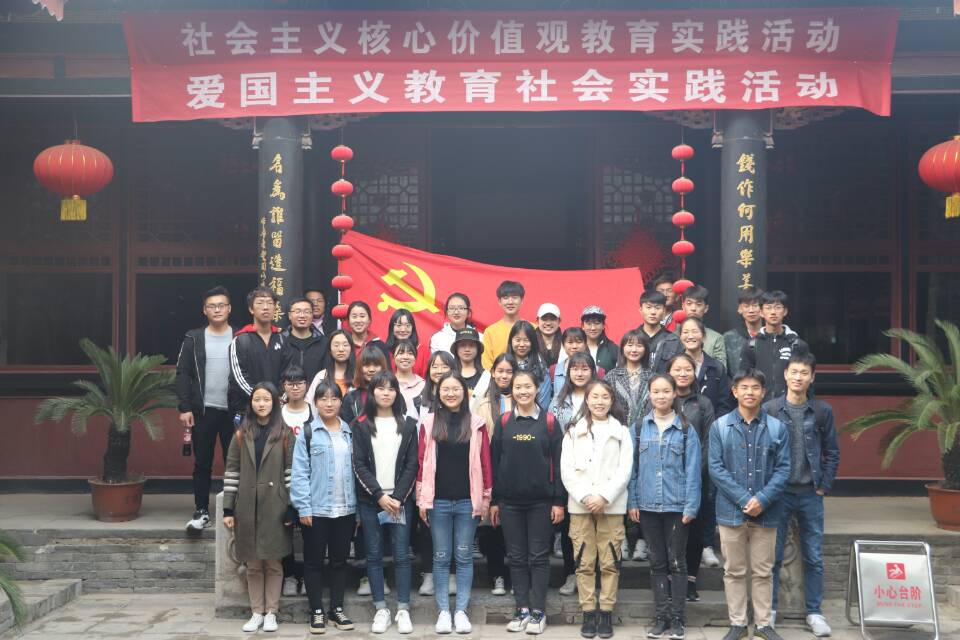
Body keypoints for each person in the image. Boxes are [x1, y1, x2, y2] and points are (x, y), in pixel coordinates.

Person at [708, 369, 790, 640]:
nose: (749, 392)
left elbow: (783, 469)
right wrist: (745, 499)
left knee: (763, 571)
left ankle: (764, 625)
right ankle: (738, 623)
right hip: (730, 511)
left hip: (767, 512)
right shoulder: (720, 426)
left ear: (763, 392)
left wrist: (762, 499)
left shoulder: (777, 428)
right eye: (744, 387)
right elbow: (716, 468)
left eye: (755, 387)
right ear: (734, 392)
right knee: (733, 570)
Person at [765, 353, 840, 637]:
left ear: (812, 377)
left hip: (810, 492)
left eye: (804, 373)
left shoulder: (822, 411)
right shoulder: (771, 409)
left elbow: (832, 451)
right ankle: (769, 611)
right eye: (794, 372)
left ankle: (814, 612)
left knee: (814, 555)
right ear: (785, 374)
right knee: (772, 556)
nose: (798, 377)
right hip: (779, 493)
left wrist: (824, 485)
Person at [490, 370, 566, 635]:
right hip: (509, 503)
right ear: (512, 390)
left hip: (541, 503)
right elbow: (495, 463)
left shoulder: (549, 422)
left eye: (527, 387)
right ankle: (522, 608)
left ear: (537, 389)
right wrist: (495, 501)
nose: (523, 391)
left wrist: (558, 501)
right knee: (517, 557)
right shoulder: (504, 422)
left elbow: (559, 464)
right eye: (518, 387)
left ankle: (538, 611)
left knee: (538, 557)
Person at [417, 372, 493, 634]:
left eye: (456, 389)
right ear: (438, 393)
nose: (450, 393)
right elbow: (421, 463)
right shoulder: (429, 423)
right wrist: (422, 499)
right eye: (445, 389)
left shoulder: (476, 423)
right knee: (440, 557)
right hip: (437, 502)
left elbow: (485, 463)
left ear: (464, 392)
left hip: (466, 502)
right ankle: (443, 612)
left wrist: (486, 498)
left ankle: (461, 611)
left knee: (463, 556)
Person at [628, 374, 702, 640]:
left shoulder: (686, 429)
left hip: (676, 506)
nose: (661, 396)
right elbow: (632, 470)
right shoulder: (639, 428)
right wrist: (632, 501)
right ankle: (661, 617)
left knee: (677, 562)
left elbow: (693, 471)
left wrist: (691, 506)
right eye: (656, 391)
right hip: (647, 506)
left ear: (674, 394)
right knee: (657, 562)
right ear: (649, 394)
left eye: (666, 391)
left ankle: (678, 619)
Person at [560, 380, 633, 640]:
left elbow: (625, 470)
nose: (599, 402)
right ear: (587, 400)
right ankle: (588, 611)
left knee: (610, 561)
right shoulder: (573, 431)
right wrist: (585, 496)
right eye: (595, 397)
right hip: (580, 506)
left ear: (612, 401)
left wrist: (604, 496)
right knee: (584, 561)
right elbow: (567, 470)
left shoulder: (621, 431)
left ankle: (606, 611)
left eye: (605, 397)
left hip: (611, 506)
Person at [222, 382, 295, 634]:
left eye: (266, 399)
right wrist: (228, 509)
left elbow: (291, 473)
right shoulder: (241, 434)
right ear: (251, 403)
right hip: (246, 507)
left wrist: (291, 506)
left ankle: (271, 612)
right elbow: (232, 472)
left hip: (275, 506)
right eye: (257, 400)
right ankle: (256, 612)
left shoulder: (285, 434)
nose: (261, 404)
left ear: (274, 402)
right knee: (253, 564)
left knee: (274, 562)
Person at [352, 371, 419, 634]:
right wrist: (379, 496)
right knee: (374, 555)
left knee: (402, 555)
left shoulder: (409, 424)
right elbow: (358, 464)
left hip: (401, 502)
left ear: (397, 393)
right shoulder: (361, 425)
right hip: (372, 501)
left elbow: (412, 464)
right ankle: (381, 608)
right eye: (380, 388)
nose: (386, 393)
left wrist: (398, 498)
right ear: (372, 393)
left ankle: (403, 608)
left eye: (391, 388)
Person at [290, 380, 356, 634]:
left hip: (345, 510)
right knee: (314, 562)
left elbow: (358, 471)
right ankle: (316, 611)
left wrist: (358, 510)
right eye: (323, 399)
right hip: (316, 510)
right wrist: (303, 508)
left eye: (334, 398)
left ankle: (336, 609)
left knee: (340, 561)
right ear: (315, 402)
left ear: (341, 402)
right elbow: (299, 473)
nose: (329, 403)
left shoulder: (349, 431)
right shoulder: (308, 433)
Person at [176, 285, 236, 531]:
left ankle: (234, 510)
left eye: (221, 305)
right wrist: (184, 407)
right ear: (205, 310)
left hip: (234, 411)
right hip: (204, 410)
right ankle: (201, 511)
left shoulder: (240, 336)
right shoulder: (193, 338)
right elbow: (183, 373)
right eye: (212, 306)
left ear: (229, 308)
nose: (217, 309)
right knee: (202, 462)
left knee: (236, 463)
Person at [665, 354, 717, 607]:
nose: (683, 373)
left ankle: (691, 581)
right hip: (667, 476)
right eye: (677, 369)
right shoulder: (664, 398)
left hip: (697, 476)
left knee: (694, 530)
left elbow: (709, 441)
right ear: (669, 372)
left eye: (687, 369)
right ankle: (669, 579)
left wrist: (697, 471)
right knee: (669, 530)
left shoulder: (703, 403)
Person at [549, 351, 599, 597]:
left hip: (596, 472)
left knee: (597, 529)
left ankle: (593, 575)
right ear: (567, 373)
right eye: (575, 369)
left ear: (593, 371)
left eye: (584, 368)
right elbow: (552, 436)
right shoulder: (558, 401)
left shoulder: (600, 397)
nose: (579, 373)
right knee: (571, 529)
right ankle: (572, 573)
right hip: (567, 471)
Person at [603, 329, 652, 563]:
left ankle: (642, 539)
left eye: (639, 345)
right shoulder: (612, 376)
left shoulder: (653, 377)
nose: (634, 349)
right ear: (622, 348)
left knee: (642, 485)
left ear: (645, 349)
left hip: (646, 437)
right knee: (620, 484)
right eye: (629, 344)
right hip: (618, 437)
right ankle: (621, 537)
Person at [414, 349, 459, 598]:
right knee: (426, 526)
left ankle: (451, 574)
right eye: (435, 366)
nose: (439, 371)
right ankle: (429, 574)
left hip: (451, 470)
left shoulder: (458, 396)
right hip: (423, 468)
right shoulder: (418, 401)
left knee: (451, 528)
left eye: (445, 366)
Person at [473, 353, 517, 597]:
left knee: (513, 528)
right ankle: (497, 575)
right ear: (492, 373)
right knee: (492, 526)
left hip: (515, 472)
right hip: (489, 471)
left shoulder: (521, 399)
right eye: (500, 371)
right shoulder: (483, 403)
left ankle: (517, 577)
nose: (504, 376)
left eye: (509, 371)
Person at [228, 286, 291, 416]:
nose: (265, 307)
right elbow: (239, 377)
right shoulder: (240, 340)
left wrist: (278, 399)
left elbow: (288, 374)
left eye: (270, 303)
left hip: (277, 410)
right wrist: (261, 400)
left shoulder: (282, 339)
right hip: (247, 410)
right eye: (260, 303)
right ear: (251, 309)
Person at [741, 291, 810, 402]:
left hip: (790, 405)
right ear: (761, 312)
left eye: (778, 307)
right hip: (760, 405)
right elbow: (744, 379)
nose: (773, 312)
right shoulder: (751, 345)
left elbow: (807, 378)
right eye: (768, 308)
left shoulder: (797, 344)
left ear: (785, 311)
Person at [280, 365, 311, 597]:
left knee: (311, 532)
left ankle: (310, 576)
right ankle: (289, 575)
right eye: (290, 383)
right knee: (284, 531)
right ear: (284, 386)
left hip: (310, 480)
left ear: (306, 385)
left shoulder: (315, 411)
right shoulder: (277, 414)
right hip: (281, 480)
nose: (295, 387)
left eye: (299, 383)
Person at [678, 317, 735, 417]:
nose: (690, 336)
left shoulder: (717, 367)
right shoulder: (673, 366)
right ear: (680, 336)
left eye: (695, 332)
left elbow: (724, 404)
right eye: (685, 332)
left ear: (704, 336)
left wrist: (715, 425)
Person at [506, 320, 552, 410]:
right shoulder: (504, 366)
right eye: (517, 340)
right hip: (506, 415)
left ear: (533, 343)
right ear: (511, 341)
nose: (522, 344)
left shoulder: (541, 368)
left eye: (526, 340)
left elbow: (543, 402)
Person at [481, 280, 526, 371]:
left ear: (521, 300)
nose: (510, 302)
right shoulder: (490, 332)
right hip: (499, 378)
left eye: (514, 297)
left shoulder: (532, 328)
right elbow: (487, 365)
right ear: (499, 302)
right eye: (505, 298)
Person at [676, 285, 726, 366]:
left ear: (706, 308)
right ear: (683, 306)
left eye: (698, 304)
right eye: (689, 304)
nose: (693, 308)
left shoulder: (716, 338)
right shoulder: (673, 335)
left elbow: (721, 369)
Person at [340, 345, 389, 426]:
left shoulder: (392, 394)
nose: (371, 370)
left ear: (382, 367)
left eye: (376, 365)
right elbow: (345, 427)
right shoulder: (350, 398)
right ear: (360, 368)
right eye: (366, 365)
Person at [283, 297, 327, 384]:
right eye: (298, 311)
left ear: (312, 315)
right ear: (289, 315)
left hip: (317, 391)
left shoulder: (324, 343)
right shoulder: (281, 341)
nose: (302, 315)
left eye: (307, 312)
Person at [638, 290, 683, 374]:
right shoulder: (631, 339)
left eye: (657, 308)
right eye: (648, 307)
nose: (653, 312)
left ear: (664, 311)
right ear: (640, 310)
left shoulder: (674, 340)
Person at [723, 287, 764, 379]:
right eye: (746, 306)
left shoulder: (771, 336)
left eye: (755, 305)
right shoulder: (729, 338)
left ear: (763, 308)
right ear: (740, 309)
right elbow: (724, 372)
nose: (751, 310)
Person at [305, 330, 355, 401]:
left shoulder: (358, 377)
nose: (341, 349)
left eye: (345, 345)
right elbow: (310, 403)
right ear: (330, 350)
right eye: (336, 345)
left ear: (351, 349)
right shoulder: (321, 376)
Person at [386, 309, 431, 377]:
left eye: (407, 325)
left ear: (413, 327)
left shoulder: (424, 351)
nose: (403, 330)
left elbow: (427, 378)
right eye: (399, 325)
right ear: (392, 327)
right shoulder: (384, 350)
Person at [451, 327, 489, 400]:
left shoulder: (486, 377)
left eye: (471, 345)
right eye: (462, 345)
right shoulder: (449, 375)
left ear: (477, 349)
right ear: (456, 349)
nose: (467, 349)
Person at [393, 339, 425, 421]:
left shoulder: (424, 385)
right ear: (393, 357)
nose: (405, 357)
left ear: (415, 358)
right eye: (401, 353)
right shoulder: (388, 383)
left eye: (410, 353)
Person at [581, 306, 620, 372]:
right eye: (589, 324)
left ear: (603, 325)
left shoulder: (613, 349)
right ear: (583, 326)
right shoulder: (577, 348)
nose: (593, 328)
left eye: (597, 323)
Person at [535, 303, 562, 368]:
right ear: (537, 321)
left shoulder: (566, 342)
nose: (548, 323)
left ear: (559, 321)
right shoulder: (530, 341)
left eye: (552, 319)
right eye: (544, 319)